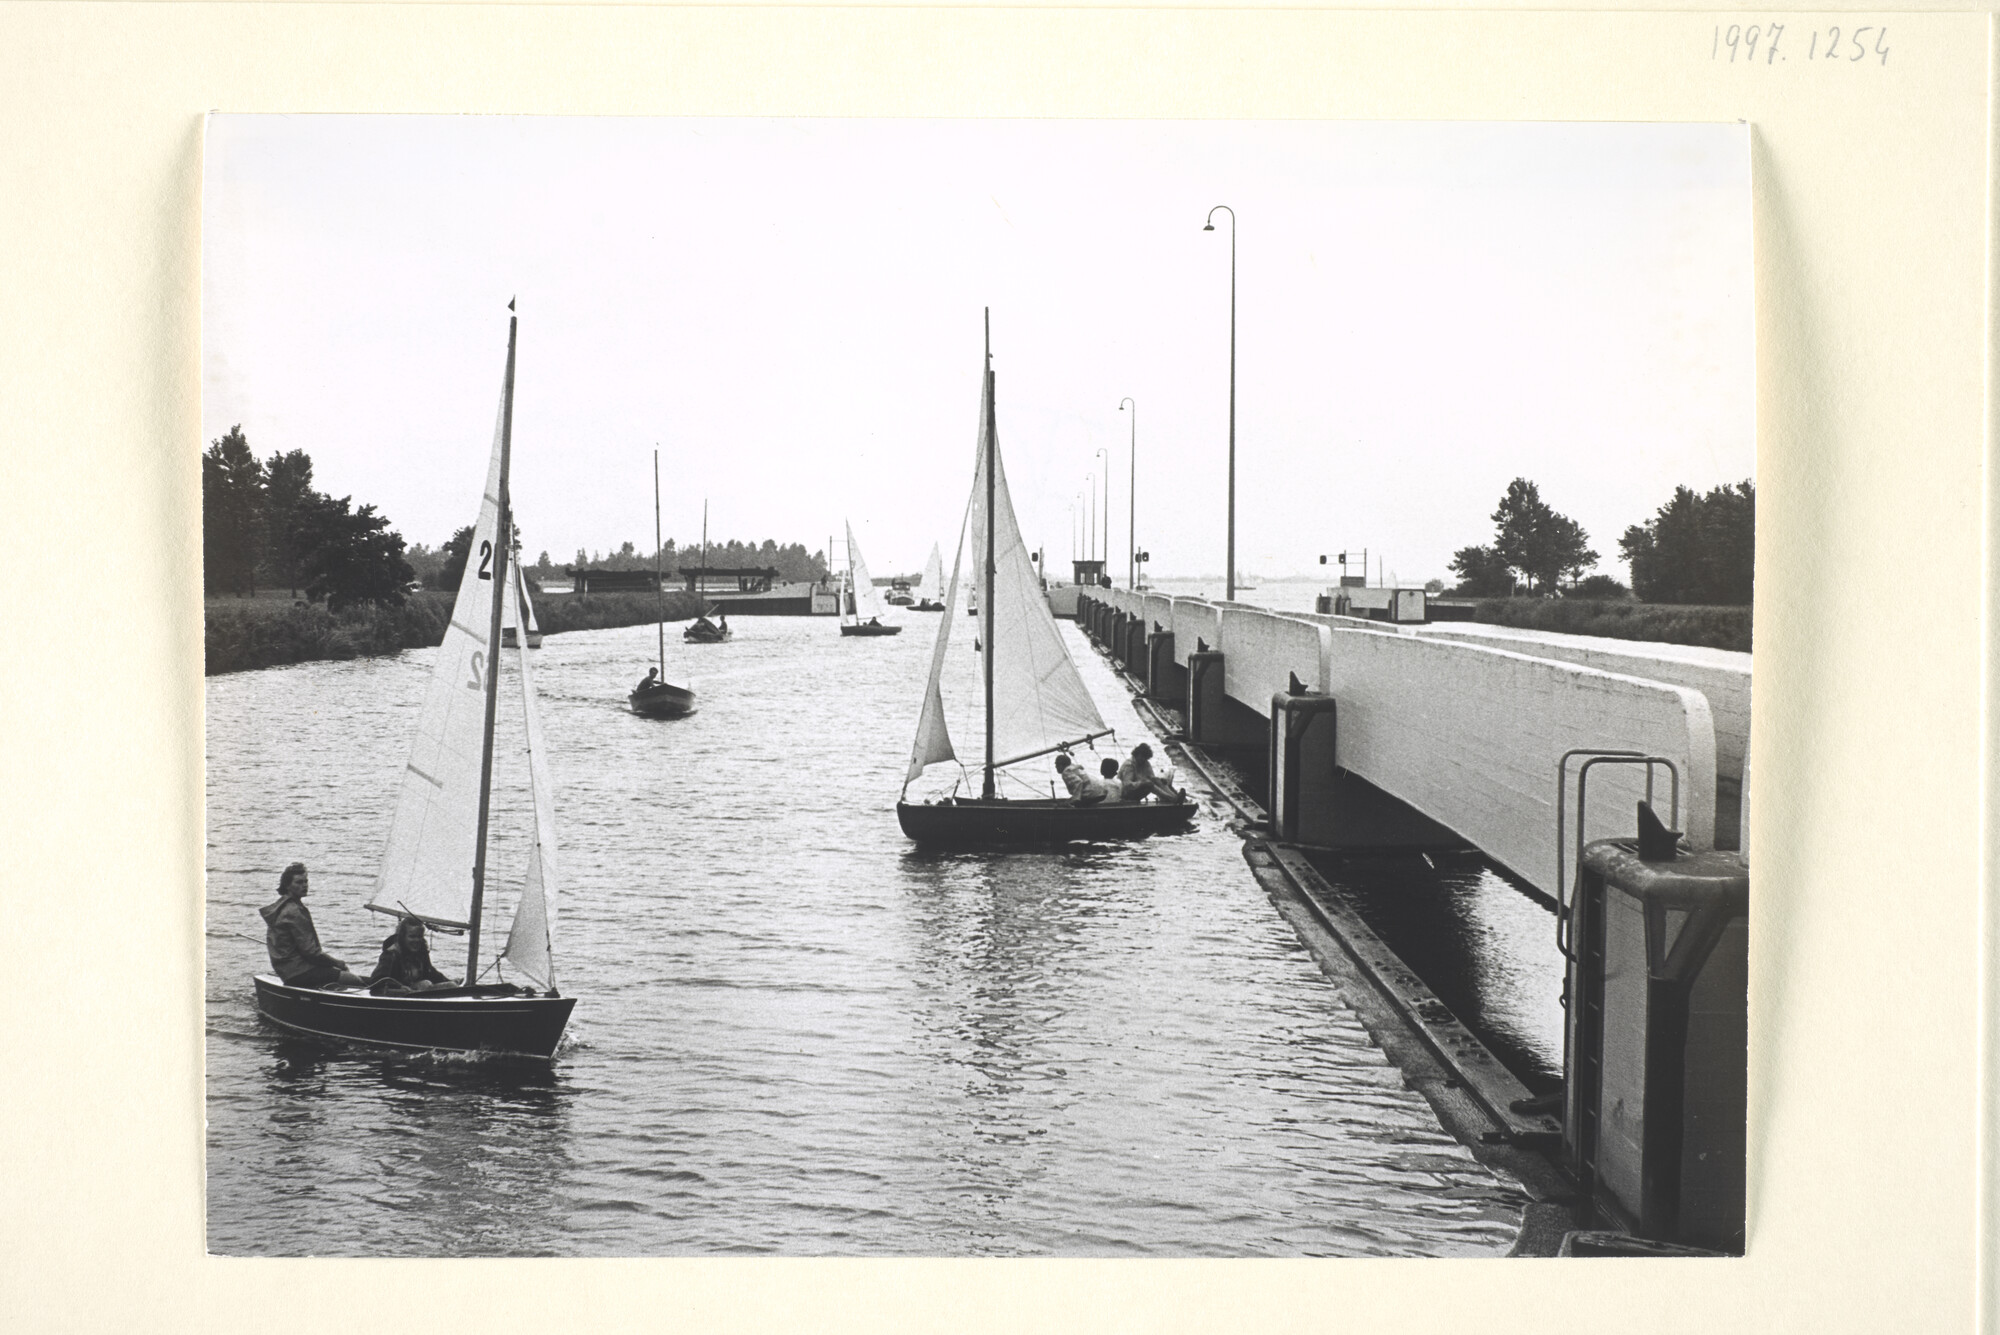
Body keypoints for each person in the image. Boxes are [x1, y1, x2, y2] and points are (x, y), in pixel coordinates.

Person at [260, 863, 369, 989]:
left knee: (360, 979)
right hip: (299, 973)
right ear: (287, 885)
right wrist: (338, 963)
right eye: (299, 882)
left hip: (288, 970)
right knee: (356, 982)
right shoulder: (293, 911)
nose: (304, 885)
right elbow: (311, 952)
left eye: (306, 881)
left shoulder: (280, 907)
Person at [368, 916, 455, 993]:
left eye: (419, 936)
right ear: (403, 937)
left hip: (417, 993)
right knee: (426, 984)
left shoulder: (421, 952)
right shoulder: (391, 954)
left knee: (451, 986)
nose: (416, 940)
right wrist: (399, 987)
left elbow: (430, 973)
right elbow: (377, 981)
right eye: (412, 937)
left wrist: (451, 982)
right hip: (400, 996)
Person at [1118, 743, 1184, 803]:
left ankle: (1175, 797)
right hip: (1126, 794)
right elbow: (1127, 785)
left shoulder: (1145, 763)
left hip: (1137, 790)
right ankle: (1172, 799)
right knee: (1149, 785)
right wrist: (1141, 783)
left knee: (1156, 780)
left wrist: (1161, 781)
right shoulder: (1129, 765)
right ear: (1137, 754)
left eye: (1145, 758)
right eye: (1142, 757)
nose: (1144, 760)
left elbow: (1152, 778)